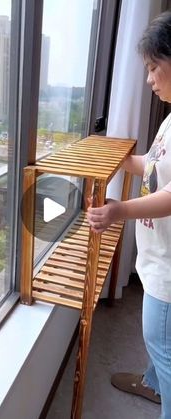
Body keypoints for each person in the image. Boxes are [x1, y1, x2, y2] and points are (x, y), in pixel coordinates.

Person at [87, 11, 171, 419]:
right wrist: (120, 159)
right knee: (161, 345)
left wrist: (118, 210)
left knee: (162, 341)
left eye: (155, 67)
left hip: (169, 271)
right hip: (158, 258)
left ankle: (163, 388)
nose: (150, 79)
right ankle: (153, 384)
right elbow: (156, 168)